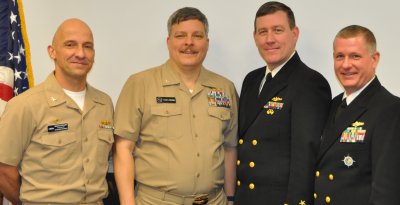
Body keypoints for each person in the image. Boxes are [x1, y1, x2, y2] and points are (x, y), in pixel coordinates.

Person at [113, 7, 238, 205]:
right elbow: (123, 149)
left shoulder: (225, 88)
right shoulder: (140, 84)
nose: (189, 42)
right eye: (181, 35)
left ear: (207, 43)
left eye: (197, 35)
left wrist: (231, 199)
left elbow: (230, 148)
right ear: (169, 42)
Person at [0, 18, 114, 204]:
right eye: (70, 45)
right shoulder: (25, 105)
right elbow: (4, 170)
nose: (80, 53)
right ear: (52, 52)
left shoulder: (104, 104)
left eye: (87, 46)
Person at [235, 1, 331, 204]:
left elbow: (305, 157)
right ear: (255, 37)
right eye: (262, 32)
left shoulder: (310, 83)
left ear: (294, 34)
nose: (269, 39)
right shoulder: (251, 80)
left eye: (277, 30)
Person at [314, 25, 400, 205]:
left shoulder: (390, 109)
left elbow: (386, 190)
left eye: (355, 56)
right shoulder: (333, 104)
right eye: (340, 56)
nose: (346, 65)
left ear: (374, 59)